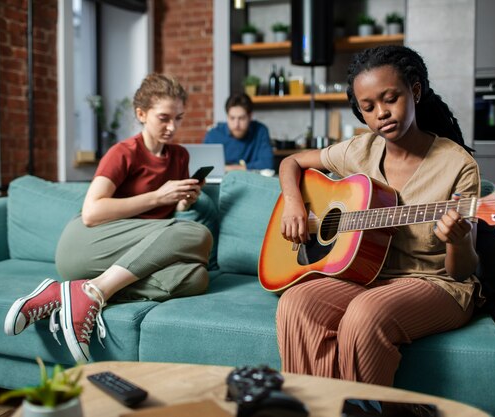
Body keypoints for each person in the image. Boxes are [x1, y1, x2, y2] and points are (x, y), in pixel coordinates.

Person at [275, 45, 480, 386]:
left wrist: (457, 240)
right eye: (368, 107)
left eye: (390, 99)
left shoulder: (458, 165)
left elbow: (461, 271)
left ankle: (373, 409)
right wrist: (295, 204)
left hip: (437, 283)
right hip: (368, 277)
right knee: (297, 303)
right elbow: (291, 162)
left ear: (415, 91)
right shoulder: (361, 149)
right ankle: (316, 405)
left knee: (365, 313)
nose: (381, 113)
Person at [3, 74, 213, 363]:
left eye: (178, 118)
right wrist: (157, 196)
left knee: (197, 278)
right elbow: (92, 212)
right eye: (164, 118)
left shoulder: (179, 156)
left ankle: (71, 292)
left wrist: (181, 202)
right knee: (197, 234)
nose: (172, 127)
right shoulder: (123, 153)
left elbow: (165, 219)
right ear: (141, 114)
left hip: (128, 253)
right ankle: (94, 291)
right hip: (87, 243)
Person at [204, 92, 274, 171]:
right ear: (227, 116)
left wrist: (226, 168)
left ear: (250, 116)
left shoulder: (260, 131)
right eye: (232, 118)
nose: (236, 124)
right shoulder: (213, 134)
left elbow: (267, 163)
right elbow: (204, 165)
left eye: (241, 118)